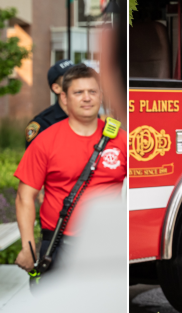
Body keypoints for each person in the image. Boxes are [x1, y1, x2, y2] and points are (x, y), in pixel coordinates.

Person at [13, 64, 124, 276]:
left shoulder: (121, 140)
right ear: (64, 98)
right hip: (60, 245)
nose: (87, 98)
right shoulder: (45, 141)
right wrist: (28, 247)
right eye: (78, 92)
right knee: (58, 309)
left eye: (92, 91)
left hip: (108, 245)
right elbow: (24, 197)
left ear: (101, 95)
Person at [23, 60, 77, 147]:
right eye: (70, 79)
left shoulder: (90, 117)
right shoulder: (42, 124)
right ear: (56, 88)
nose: (77, 82)